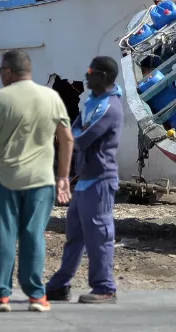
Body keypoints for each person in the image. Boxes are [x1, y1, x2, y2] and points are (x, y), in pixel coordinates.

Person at [0, 49, 74, 313]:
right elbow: (67, 138)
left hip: (4, 178)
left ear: (7, 72)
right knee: (33, 235)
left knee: (2, 236)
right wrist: (63, 176)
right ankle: (37, 297)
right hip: (41, 179)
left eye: (0, 71)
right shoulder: (51, 97)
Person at [46, 56, 122, 304]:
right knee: (75, 235)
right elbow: (74, 129)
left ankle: (105, 288)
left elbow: (80, 139)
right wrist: (70, 135)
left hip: (100, 181)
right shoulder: (92, 103)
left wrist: (69, 136)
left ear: (103, 77)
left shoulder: (109, 107)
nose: (86, 77)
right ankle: (59, 286)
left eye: (91, 73)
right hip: (86, 181)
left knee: (99, 235)